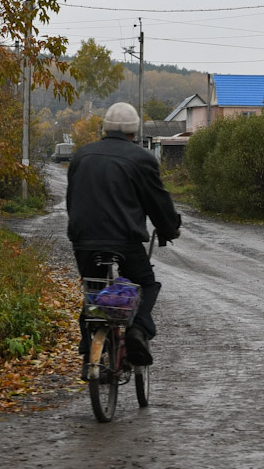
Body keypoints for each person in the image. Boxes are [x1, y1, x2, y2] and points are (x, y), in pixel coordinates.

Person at [67, 101, 181, 367]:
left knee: (92, 289)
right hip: (125, 241)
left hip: (84, 240)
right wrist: (168, 229)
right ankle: (137, 330)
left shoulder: (81, 155)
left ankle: (89, 345)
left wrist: (80, 232)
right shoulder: (141, 158)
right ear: (135, 131)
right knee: (145, 283)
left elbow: (72, 199)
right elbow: (158, 201)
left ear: (105, 128)